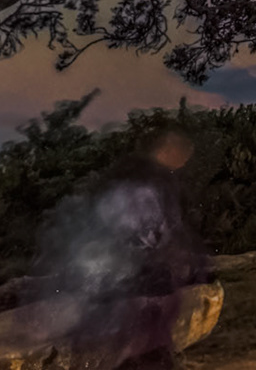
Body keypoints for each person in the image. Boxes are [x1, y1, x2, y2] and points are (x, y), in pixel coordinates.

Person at [30, 126, 211, 368]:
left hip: (113, 276)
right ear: (168, 150)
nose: (182, 163)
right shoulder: (149, 181)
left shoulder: (129, 174)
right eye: (181, 156)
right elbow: (151, 232)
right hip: (126, 278)